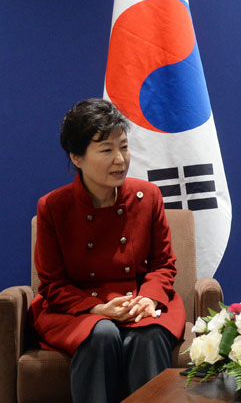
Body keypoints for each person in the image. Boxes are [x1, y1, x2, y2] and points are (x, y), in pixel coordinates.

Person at [29, 98, 186, 403]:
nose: (120, 159)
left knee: (150, 335)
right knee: (100, 334)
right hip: (79, 309)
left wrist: (148, 298)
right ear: (77, 157)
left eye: (124, 147)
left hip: (139, 299)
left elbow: (164, 264)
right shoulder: (53, 207)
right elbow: (52, 284)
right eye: (106, 150)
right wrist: (96, 308)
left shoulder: (148, 196)